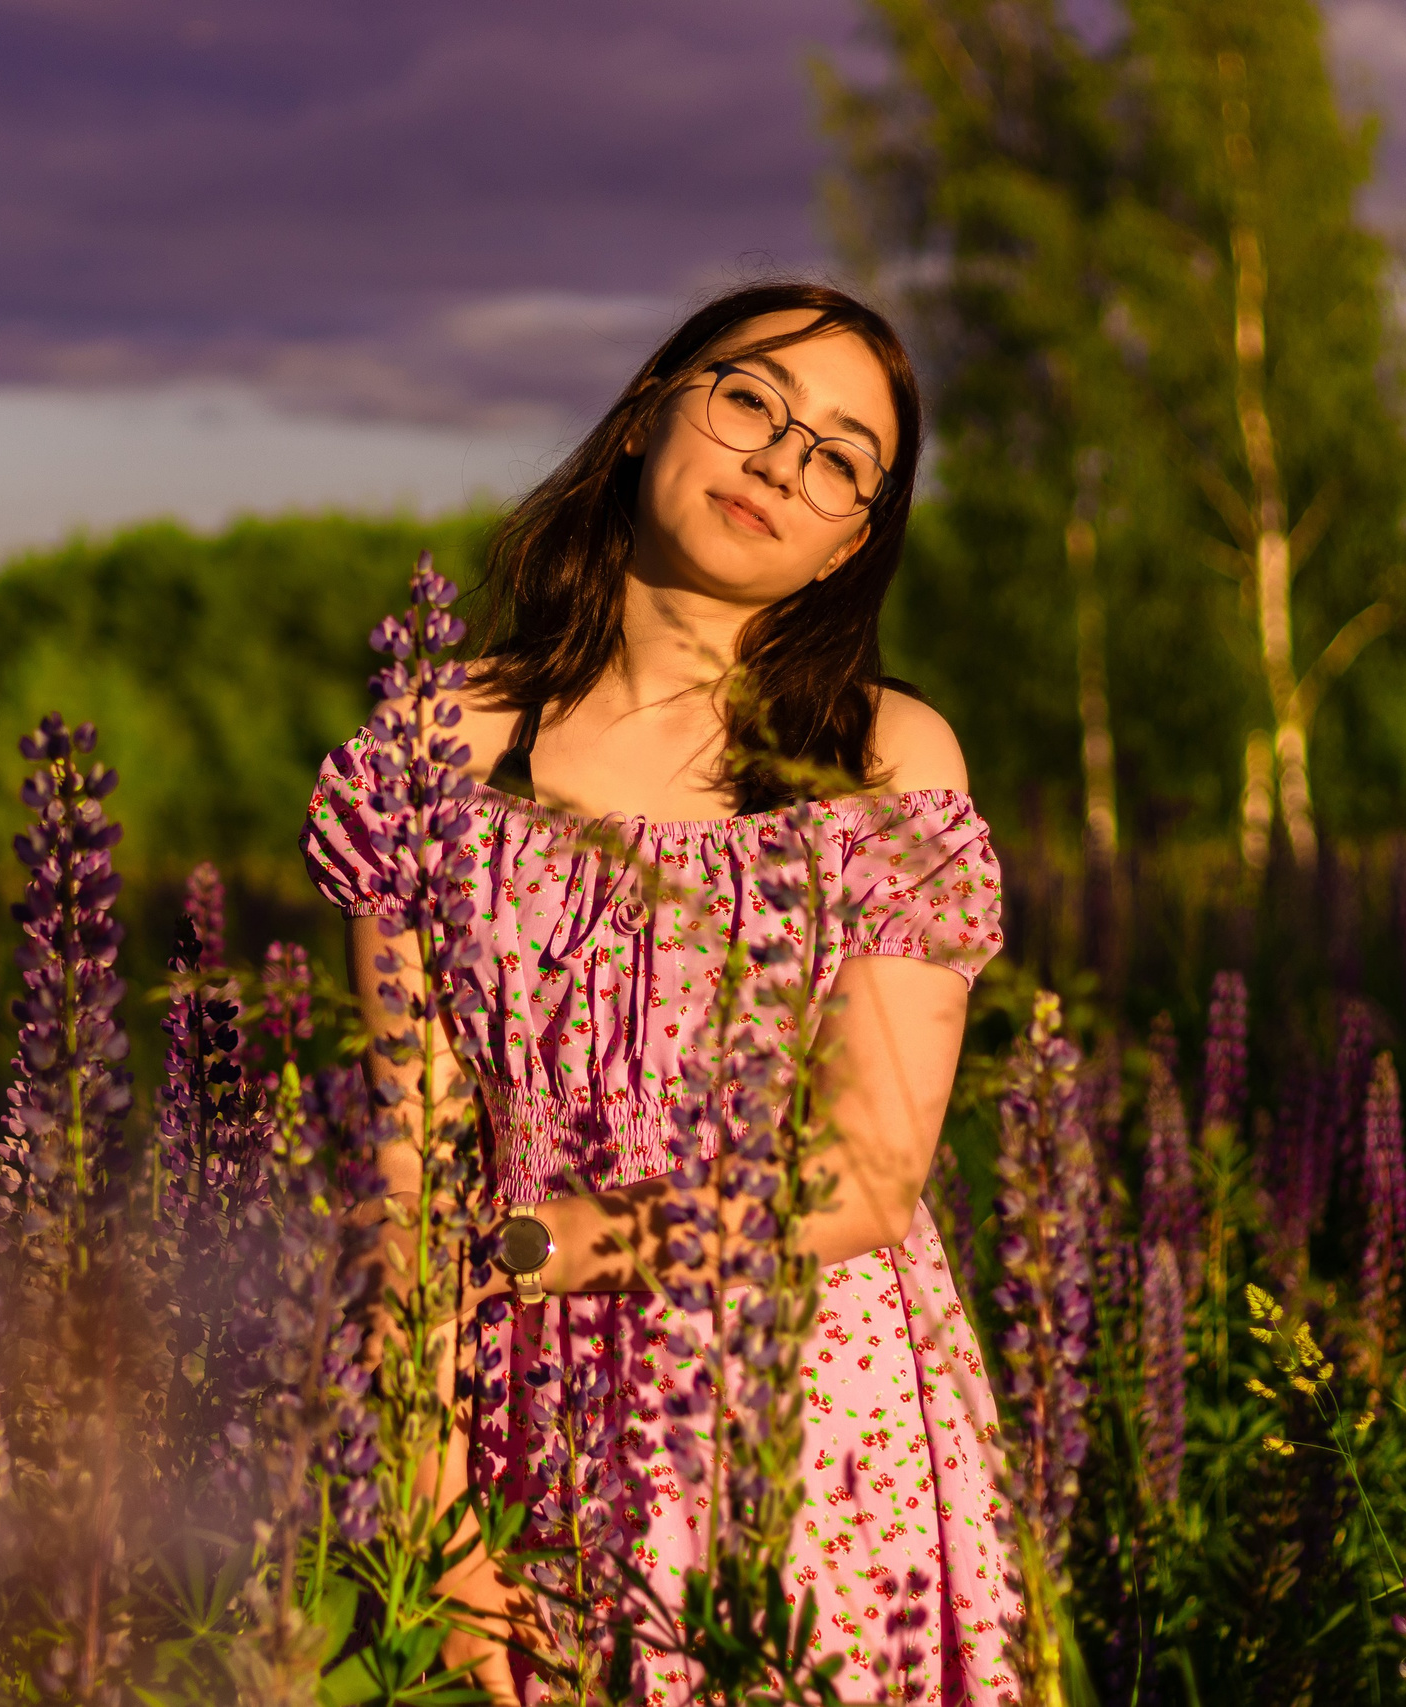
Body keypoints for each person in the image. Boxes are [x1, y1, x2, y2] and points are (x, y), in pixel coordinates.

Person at [303, 281, 1021, 1703]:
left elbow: (865, 1177)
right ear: (647, 417)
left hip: (803, 1415)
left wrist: (559, 1247)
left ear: (849, 545)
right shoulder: (435, 752)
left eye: (840, 458)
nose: (781, 461)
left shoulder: (882, 757)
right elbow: (404, 1169)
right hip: (513, 1410)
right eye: (753, 400)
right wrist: (439, 1511)